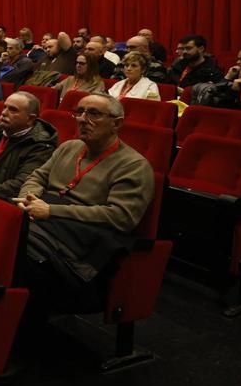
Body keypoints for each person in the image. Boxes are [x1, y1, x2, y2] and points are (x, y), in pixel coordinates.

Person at [13, 93, 155, 314]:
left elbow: (121, 217)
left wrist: (51, 211)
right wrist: (28, 198)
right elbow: (37, 177)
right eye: (79, 112)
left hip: (78, 245)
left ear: (116, 124)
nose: (82, 118)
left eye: (94, 113)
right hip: (41, 221)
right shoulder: (69, 147)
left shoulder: (133, 165)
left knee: (16, 254)